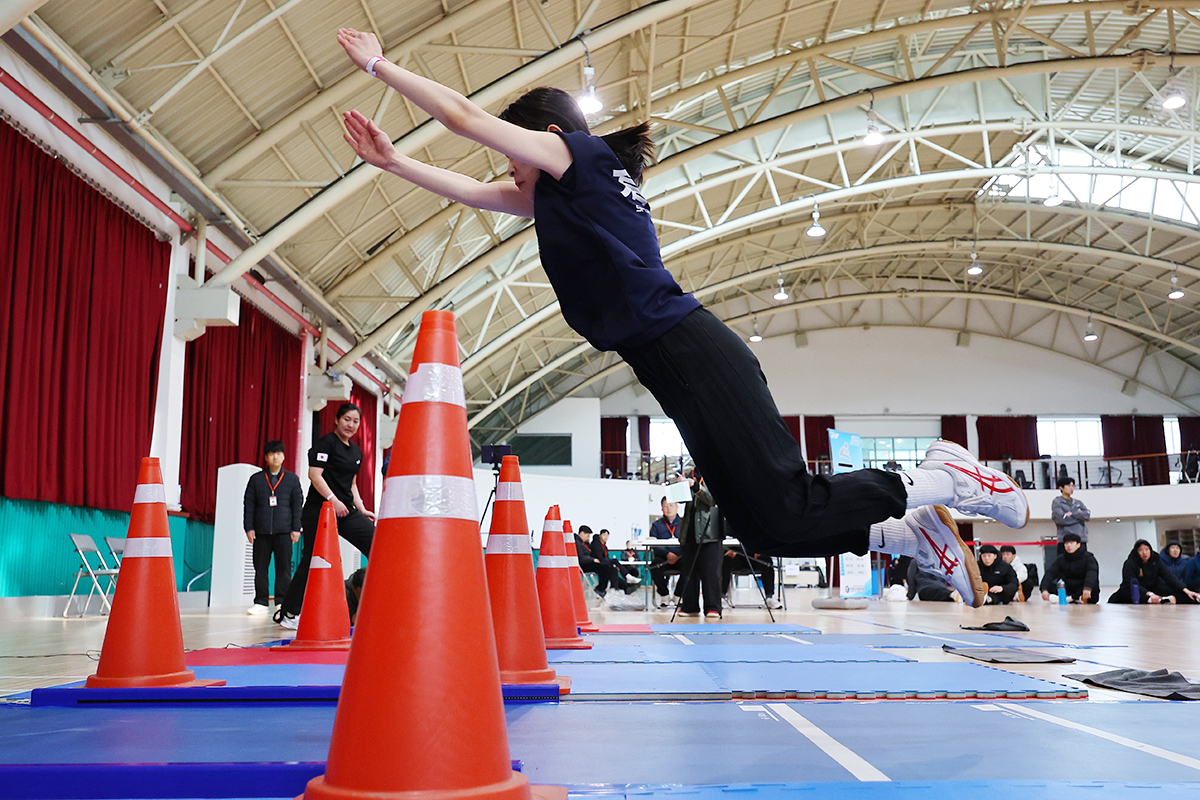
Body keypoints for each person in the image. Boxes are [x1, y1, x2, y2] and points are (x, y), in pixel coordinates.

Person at [335, 27, 1031, 608]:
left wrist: (378, 64)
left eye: (510, 154)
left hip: (691, 350)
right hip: (669, 363)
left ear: (545, 138)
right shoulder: (569, 192)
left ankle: (952, 479)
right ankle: (908, 535)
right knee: (765, 526)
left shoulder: (577, 158)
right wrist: (394, 162)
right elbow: (476, 194)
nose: (506, 169)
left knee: (786, 502)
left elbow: (461, 114)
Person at [275, 402, 376, 629]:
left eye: (356, 421)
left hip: (346, 512)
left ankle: (376, 605)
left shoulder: (356, 451)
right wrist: (333, 500)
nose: (351, 425)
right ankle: (289, 612)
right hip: (319, 512)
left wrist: (361, 508)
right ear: (337, 420)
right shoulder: (326, 444)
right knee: (312, 559)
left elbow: (352, 484)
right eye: (347, 419)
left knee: (378, 547)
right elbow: (314, 475)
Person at [242, 440, 303, 615]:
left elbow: (297, 505)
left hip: (284, 531)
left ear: (284, 456)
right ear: (266, 457)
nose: (275, 456)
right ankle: (260, 602)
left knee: (283, 568)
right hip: (261, 532)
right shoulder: (256, 480)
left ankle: (282, 601)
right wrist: (249, 528)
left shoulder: (292, 480)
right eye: (271, 453)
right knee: (260, 567)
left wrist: (296, 528)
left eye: (278, 453)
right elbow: (249, 505)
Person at [677, 472, 724, 618]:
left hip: (709, 530)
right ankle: (690, 605)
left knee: (710, 570)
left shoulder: (715, 474)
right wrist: (680, 486)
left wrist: (695, 486)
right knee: (688, 571)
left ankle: (713, 606)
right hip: (689, 530)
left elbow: (712, 500)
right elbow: (681, 500)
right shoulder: (691, 473)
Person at [1108, 539, 1200, 604]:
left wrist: (1186, 590)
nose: (1145, 553)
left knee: (1174, 591)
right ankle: (1157, 600)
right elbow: (1130, 583)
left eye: (1147, 549)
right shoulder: (1130, 563)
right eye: (1141, 550)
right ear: (1136, 552)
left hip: (1153, 587)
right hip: (1133, 590)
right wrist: (1150, 594)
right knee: (1133, 594)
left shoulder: (1155, 560)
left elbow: (1168, 576)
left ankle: (1192, 599)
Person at [576, 525, 637, 597]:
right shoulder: (579, 543)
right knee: (607, 566)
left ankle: (616, 588)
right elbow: (582, 558)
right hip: (586, 564)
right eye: (587, 535)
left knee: (612, 568)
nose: (588, 538)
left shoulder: (585, 543)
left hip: (591, 562)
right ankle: (604, 588)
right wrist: (593, 559)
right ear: (582, 533)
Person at [1040, 532, 1099, 604]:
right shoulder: (1061, 558)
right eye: (1066, 543)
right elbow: (1051, 572)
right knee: (1052, 585)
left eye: (1072, 543)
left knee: (1093, 585)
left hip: (1083, 589)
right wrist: (1044, 589)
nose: (1069, 546)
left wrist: (1087, 588)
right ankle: (1071, 598)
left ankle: (1070, 598)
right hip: (1069, 588)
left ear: (1078, 545)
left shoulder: (1088, 557)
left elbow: (1092, 573)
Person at [720, 544, 783, 609]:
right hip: (736, 555)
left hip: (754, 555)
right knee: (726, 558)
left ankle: (769, 597)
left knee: (766, 559)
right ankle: (722, 596)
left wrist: (762, 550)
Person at [647, 496, 684, 607]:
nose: (669, 508)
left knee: (691, 565)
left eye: (671, 505)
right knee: (654, 565)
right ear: (662, 508)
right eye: (665, 506)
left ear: (677, 507)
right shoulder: (656, 525)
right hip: (663, 558)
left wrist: (677, 555)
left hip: (680, 557)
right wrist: (667, 554)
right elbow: (654, 544)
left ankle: (678, 595)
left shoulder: (684, 523)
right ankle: (664, 595)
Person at [1051, 477, 1090, 558]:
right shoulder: (1057, 502)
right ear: (1061, 487)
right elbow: (1061, 519)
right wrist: (1079, 517)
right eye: (1068, 486)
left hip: (1080, 540)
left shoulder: (1077, 502)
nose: (1071, 488)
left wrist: (1072, 514)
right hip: (1065, 540)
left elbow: (1087, 515)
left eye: (1072, 486)